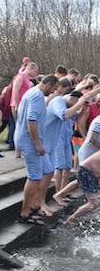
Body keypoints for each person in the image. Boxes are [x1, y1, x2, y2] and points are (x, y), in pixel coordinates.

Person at [14, 75, 59, 224]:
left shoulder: (32, 92)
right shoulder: (37, 95)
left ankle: (35, 204)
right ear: (49, 84)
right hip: (30, 142)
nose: (53, 92)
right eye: (53, 88)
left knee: (47, 169)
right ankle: (25, 212)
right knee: (34, 176)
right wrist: (37, 144)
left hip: (30, 140)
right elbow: (31, 120)